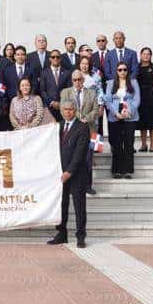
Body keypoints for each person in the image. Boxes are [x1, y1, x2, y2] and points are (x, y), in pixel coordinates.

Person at [47, 100, 91, 248]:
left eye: (71, 109)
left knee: (79, 206)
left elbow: (80, 153)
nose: (68, 112)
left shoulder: (83, 127)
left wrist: (69, 171)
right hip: (59, 174)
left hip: (76, 173)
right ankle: (61, 234)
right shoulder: (58, 126)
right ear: (61, 111)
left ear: (75, 110)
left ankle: (80, 236)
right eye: (65, 109)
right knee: (62, 205)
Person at [60, 70, 101, 196]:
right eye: (75, 80)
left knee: (88, 158)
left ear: (83, 80)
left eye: (79, 79)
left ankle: (88, 185)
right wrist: (79, 118)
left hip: (90, 129)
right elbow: (64, 107)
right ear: (72, 80)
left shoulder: (92, 92)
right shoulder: (65, 92)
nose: (77, 82)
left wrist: (86, 119)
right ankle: (72, 184)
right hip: (72, 130)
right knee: (73, 157)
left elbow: (96, 110)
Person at [103, 64, 140, 179]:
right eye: (120, 70)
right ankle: (117, 170)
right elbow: (107, 100)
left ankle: (128, 170)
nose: (122, 72)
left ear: (127, 71)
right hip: (115, 116)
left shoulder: (133, 82)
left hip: (130, 115)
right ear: (116, 71)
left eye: (125, 69)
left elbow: (137, 99)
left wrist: (129, 111)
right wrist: (116, 113)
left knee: (129, 143)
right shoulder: (110, 83)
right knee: (117, 144)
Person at [136, 47, 153, 152]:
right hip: (140, 96)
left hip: (152, 96)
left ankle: (152, 144)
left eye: (148, 54)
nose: (146, 56)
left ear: (150, 56)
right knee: (142, 121)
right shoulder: (136, 67)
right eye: (144, 54)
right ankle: (143, 144)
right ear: (141, 55)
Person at [39, 50, 70, 122]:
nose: (55, 59)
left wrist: (61, 103)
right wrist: (52, 102)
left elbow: (69, 90)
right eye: (53, 57)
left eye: (57, 57)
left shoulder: (66, 72)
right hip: (49, 107)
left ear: (60, 58)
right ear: (50, 59)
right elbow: (42, 91)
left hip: (63, 107)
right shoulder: (44, 73)